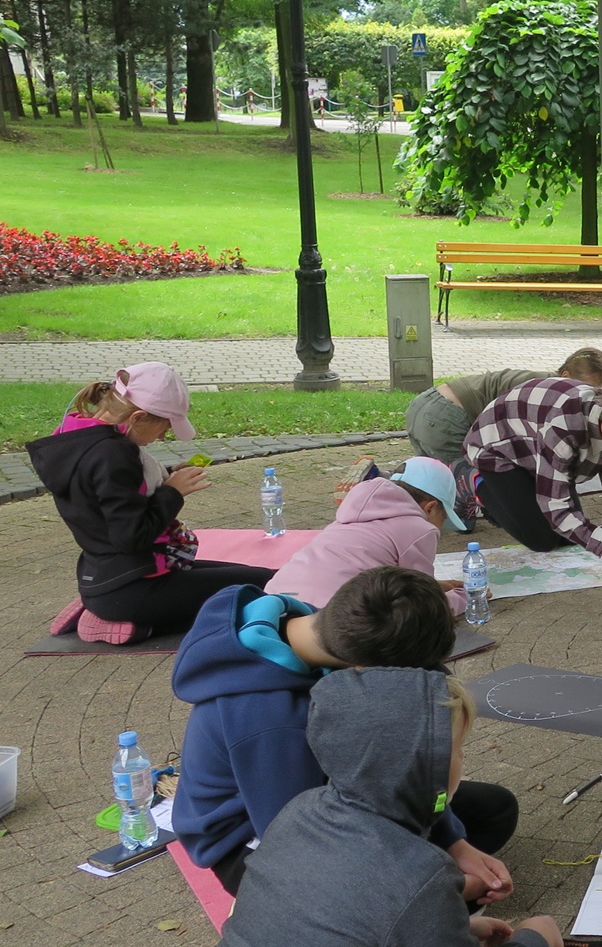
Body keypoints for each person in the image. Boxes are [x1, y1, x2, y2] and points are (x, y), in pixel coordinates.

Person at [173, 566, 520, 900]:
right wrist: (434, 893)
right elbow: (300, 846)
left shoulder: (331, 630)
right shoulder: (271, 722)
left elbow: (396, 766)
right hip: (255, 843)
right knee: (391, 895)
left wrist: (454, 842)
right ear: (366, 670)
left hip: (325, 791)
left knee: (494, 811)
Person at [216, 667, 562, 947]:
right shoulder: (421, 875)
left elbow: (341, 919)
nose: (462, 758)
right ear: (427, 766)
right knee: (542, 929)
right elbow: (400, 901)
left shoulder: (299, 811)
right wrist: (535, 937)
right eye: (457, 750)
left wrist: (460, 928)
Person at [28, 364, 273, 642]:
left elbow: (106, 494)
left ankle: (100, 608)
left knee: (257, 576)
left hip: (109, 580)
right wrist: (173, 493)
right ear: (139, 417)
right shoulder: (114, 453)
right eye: (163, 429)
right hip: (133, 589)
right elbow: (131, 536)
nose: (162, 438)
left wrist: (165, 478)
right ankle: (123, 624)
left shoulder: (78, 439)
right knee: (265, 588)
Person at [463, 379, 602, 571]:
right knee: (542, 540)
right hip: (497, 450)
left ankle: (511, 495)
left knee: (569, 537)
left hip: (536, 451)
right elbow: (556, 509)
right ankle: (474, 482)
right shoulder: (564, 429)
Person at [402, 348, 602, 525]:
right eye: (586, 388)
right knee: (466, 492)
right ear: (566, 376)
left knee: (428, 482)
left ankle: (395, 494)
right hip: (447, 417)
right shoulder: (552, 396)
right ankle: (466, 488)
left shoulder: (547, 386)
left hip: (425, 407)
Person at [267, 457, 469, 612]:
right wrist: (467, 598)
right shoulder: (420, 529)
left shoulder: (350, 516)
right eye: (444, 518)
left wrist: (434, 586)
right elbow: (424, 605)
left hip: (273, 603)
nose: (440, 527)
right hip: (331, 617)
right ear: (430, 508)